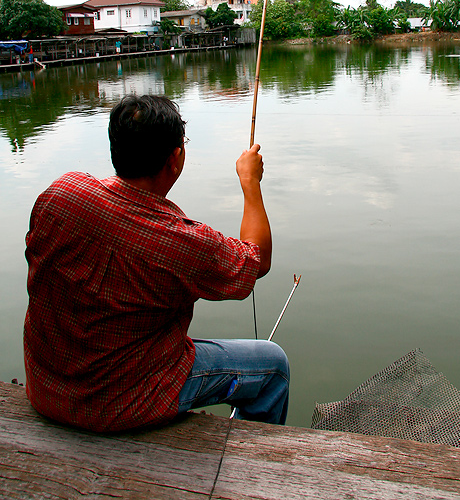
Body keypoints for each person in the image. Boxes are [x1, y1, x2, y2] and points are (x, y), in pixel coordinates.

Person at [24, 94, 289, 432]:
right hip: (123, 403)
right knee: (272, 367)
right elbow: (256, 261)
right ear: (174, 159)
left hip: (48, 390)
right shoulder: (181, 242)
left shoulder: (59, 195)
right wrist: (250, 182)